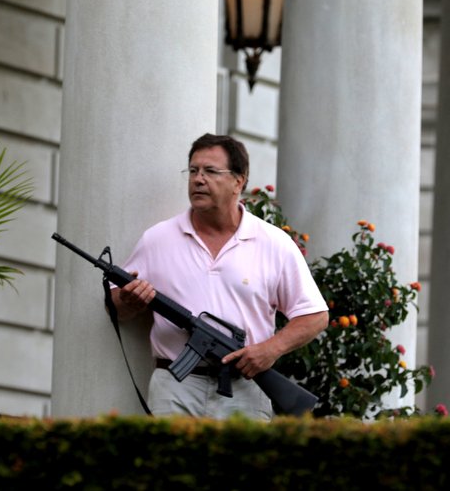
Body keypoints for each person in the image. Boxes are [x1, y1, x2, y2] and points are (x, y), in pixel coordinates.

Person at [111, 133, 328, 419]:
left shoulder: (273, 243)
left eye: (210, 171)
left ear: (239, 181)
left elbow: (315, 315)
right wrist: (129, 301)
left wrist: (269, 350)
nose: (198, 179)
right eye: (193, 171)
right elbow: (116, 303)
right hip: (175, 386)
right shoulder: (158, 239)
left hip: (246, 387)